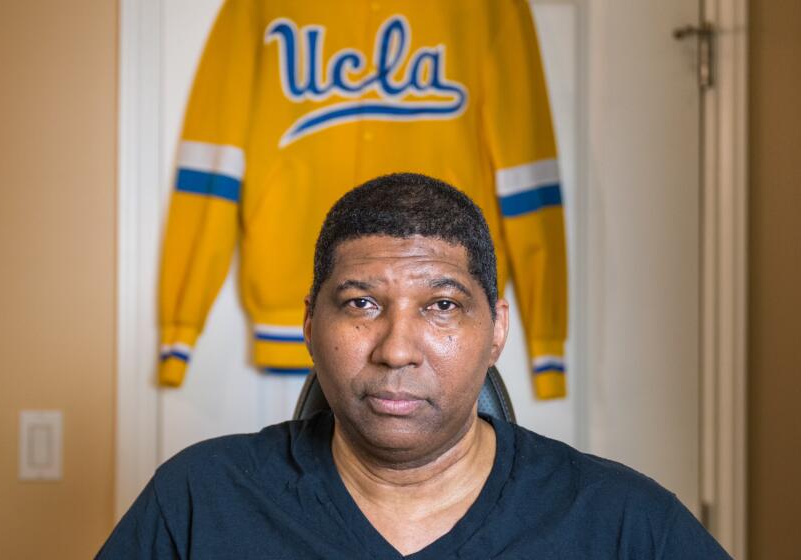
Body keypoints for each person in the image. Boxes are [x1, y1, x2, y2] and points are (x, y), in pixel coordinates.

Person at [98, 173, 730, 559]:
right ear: (311, 326)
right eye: (362, 303)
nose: (397, 348)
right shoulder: (200, 500)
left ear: (497, 330)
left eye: (442, 305)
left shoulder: (620, 522)